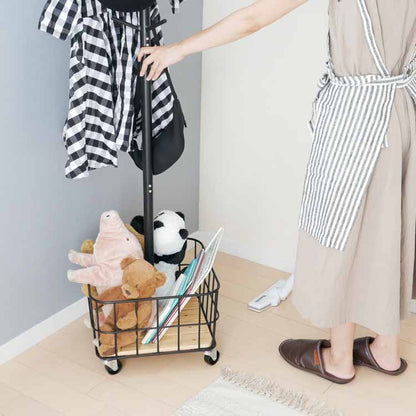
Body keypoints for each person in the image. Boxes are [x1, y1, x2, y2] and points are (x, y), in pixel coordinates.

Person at [139, 0, 416, 383]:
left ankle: (339, 359)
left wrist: (177, 49)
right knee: (390, 228)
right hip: (403, 110)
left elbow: (253, 18)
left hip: (357, 116)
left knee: (339, 236)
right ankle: (386, 351)